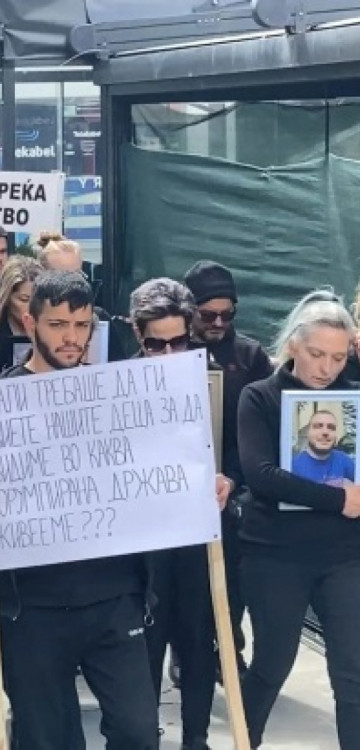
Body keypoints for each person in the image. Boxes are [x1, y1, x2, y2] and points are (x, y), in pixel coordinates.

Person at [0, 271, 160, 749]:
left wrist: (203, 485)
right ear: (31, 324)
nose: (71, 337)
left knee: (138, 730)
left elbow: (164, 462)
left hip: (114, 594)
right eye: (58, 324)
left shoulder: (117, 394)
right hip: (31, 605)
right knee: (45, 738)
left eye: (81, 325)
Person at [238, 289, 360, 749]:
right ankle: (245, 740)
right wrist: (339, 500)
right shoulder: (260, 397)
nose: (327, 368)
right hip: (275, 555)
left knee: (353, 671)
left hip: (344, 555)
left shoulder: (354, 399)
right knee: (272, 664)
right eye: (316, 354)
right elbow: (261, 475)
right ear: (293, 345)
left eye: (338, 357)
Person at [129, 277, 233, 750]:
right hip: (142, 536)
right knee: (145, 643)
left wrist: (229, 481)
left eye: (178, 342)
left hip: (197, 532)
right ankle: (143, 733)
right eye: (156, 344)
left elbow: (237, 452)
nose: (169, 354)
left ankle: (196, 737)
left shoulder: (213, 378)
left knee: (196, 639)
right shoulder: (117, 383)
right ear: (138, 335)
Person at [183, 259, 272, 676]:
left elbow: (262, 429)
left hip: (234, 483)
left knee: (234, 577)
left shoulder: (250, 355)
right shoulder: (171, 347)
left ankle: (228, 648)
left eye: (227, 314)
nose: (218, 323)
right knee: (187, 580)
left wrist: (235, 478)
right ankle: (187, 653)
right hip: (181, 482)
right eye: (208, 315)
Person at [0, 255, 43, 372]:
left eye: (37, 299)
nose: (32, 307)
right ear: (7, 298)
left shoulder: (50, 333)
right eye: (24, 300)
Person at [291, 410, 355, 484]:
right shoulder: (293, 467)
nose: (325, 432)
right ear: (308, 432)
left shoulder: (345, 462)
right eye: (318, 426)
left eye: (331, 427)